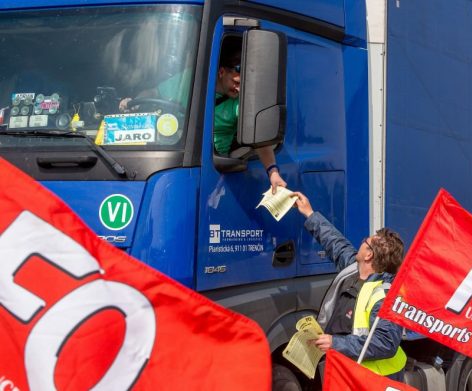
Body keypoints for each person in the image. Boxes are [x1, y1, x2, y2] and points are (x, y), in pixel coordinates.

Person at [120, 38, 286, 192]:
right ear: (221, 72)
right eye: (236, 83)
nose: (239, 90)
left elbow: (259, 138)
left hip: (212, 167)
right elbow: (154, 92)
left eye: (243, 85)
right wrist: (135, 102)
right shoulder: (190, 80)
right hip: (172, 156)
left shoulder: (238, 103)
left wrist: (272, 171)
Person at [293, 191, 407, 381]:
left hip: (374, 380)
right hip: (347, 372)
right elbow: (336, 243)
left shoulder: (384, 295)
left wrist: (335, 343)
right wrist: (309, 213)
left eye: (365, 241)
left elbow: (386, 343)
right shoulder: (353, 269)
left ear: (369, 255)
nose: (361, 243)